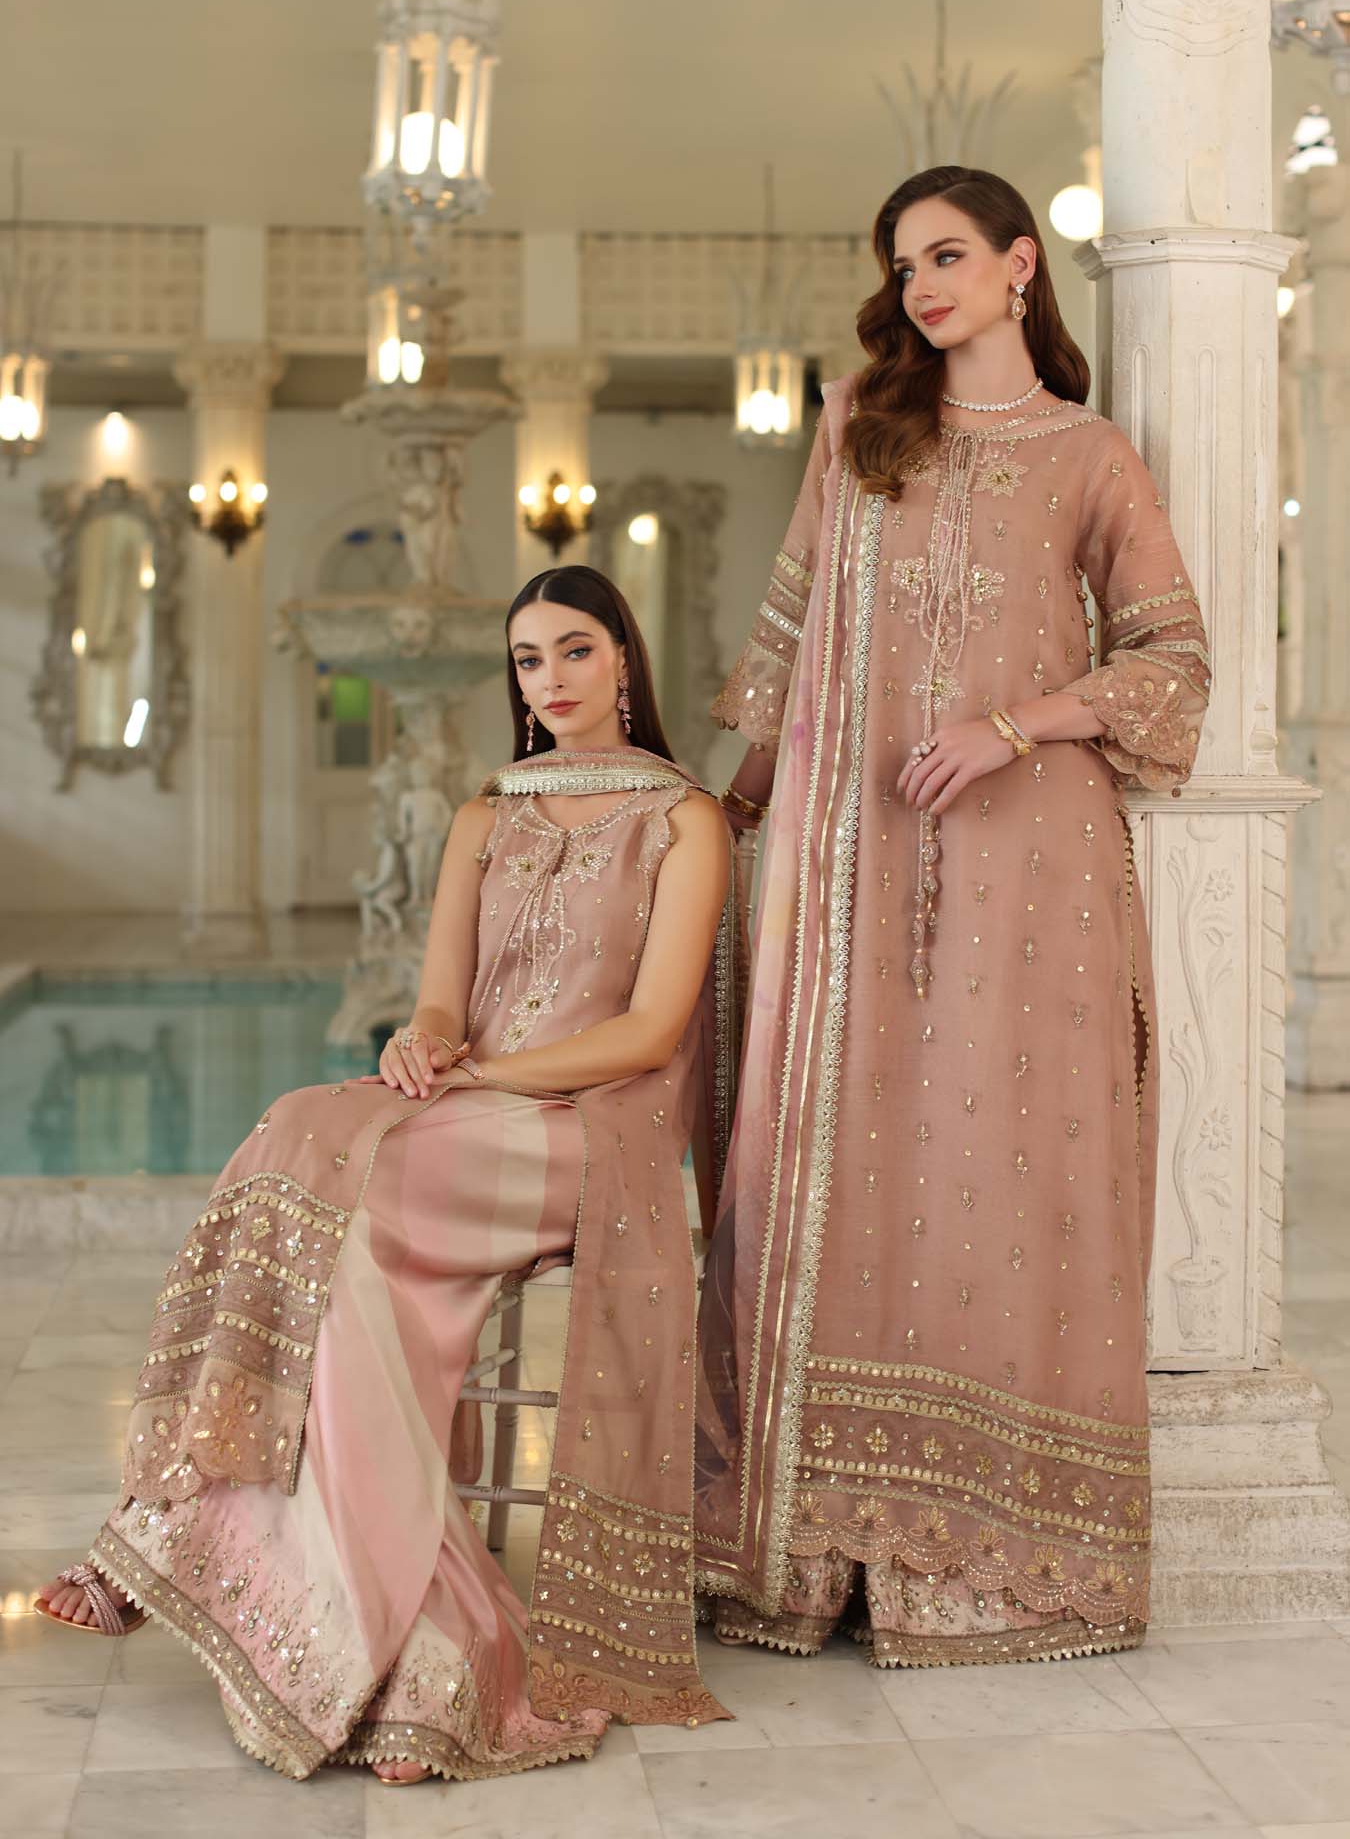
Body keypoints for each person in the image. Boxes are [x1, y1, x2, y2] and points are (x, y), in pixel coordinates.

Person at [39, 565, 739, 1783]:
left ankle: (169, 1528)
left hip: (586, 1132)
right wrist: (424, 1040)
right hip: (464, 1111)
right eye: (528, 659)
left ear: (625, 656)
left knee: (331, 1188)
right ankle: (386, 1628)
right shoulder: (486, 812)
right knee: (310, 1161)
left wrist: (482, 1077)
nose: (552, 679)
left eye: (576, 649)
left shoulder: (684, 820)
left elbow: (650, 1030)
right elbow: (442, 997)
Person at [695, 164, 1210, 1668]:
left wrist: (1014, 723)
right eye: (902, 263)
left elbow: (1172, 660)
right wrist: (730, 804)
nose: (920, 286)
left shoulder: (1089, 455)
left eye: (945, 256)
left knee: (1013, 1161)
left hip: (1033, 858)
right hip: (848, 850)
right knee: (833, 1152)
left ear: (1019, 265)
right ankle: (808, 1554)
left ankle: (1001, 1558)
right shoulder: (861, 423)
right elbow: (794, 619)